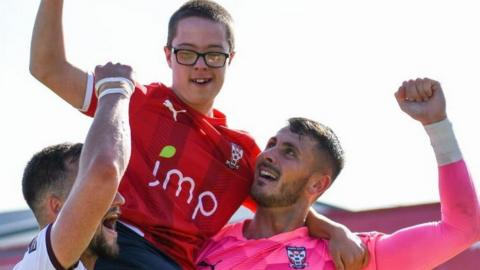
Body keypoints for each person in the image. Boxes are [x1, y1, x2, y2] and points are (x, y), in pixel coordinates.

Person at [30, 1, 366, 269]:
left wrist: (336, 231)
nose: (200, 65)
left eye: (214, 54)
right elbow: (47, 68)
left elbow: (285, 201)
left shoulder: (240, 151)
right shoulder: (136, 101)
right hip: (115, 247)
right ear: (168, 55)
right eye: (187, 53)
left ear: (230, 59)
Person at [196, 78, 480, 269]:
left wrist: (437, 125)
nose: (269, 154)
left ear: (318, 184)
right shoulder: (206, 241)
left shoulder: (350, 256)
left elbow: (462, 230)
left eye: (290, 152)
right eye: (272, 144)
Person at [14, 63, 133, 269]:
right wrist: (115, 90)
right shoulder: (38, 264)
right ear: (58, 208)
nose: (118, 199)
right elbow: (104, 170)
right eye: (86, 189)